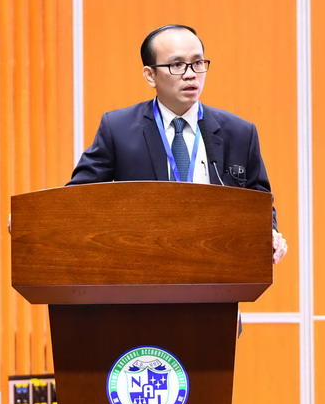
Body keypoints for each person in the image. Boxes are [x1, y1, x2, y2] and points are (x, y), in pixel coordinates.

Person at [68, 24, 287, 264]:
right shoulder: (118, 129)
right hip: (142, 265)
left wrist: (270, 232)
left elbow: (259, 201)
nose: (191, 74)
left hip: (217, 266)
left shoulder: (239, 132)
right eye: (177, 65)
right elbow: (78, 198)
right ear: (150, 75)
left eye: (197, 63)